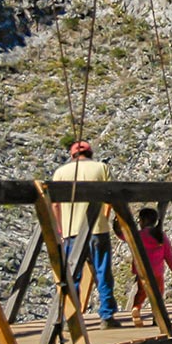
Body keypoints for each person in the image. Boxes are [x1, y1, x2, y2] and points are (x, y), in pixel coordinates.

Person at [53, 140, 120, 328]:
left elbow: (55, 204)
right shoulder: (101, 168)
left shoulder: (60, 173)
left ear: (71, 154)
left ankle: (71, 318)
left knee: (72, 276)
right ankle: (107, 316)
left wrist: (60, 229)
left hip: (71, 232)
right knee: (103, 272)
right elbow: (113, 195)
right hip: (97, 229)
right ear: (90, 153)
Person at [117, 207, 172, 327]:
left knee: (141, 292)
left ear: (143, 221)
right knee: (158, 295)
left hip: (143, 270)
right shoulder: (160, 235)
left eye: (139, 220)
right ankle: (157, 317)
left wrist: (116, 227)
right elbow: (168, 253)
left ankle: (136, 307)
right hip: (157, 271)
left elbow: (123, 236)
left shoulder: (138, 235)